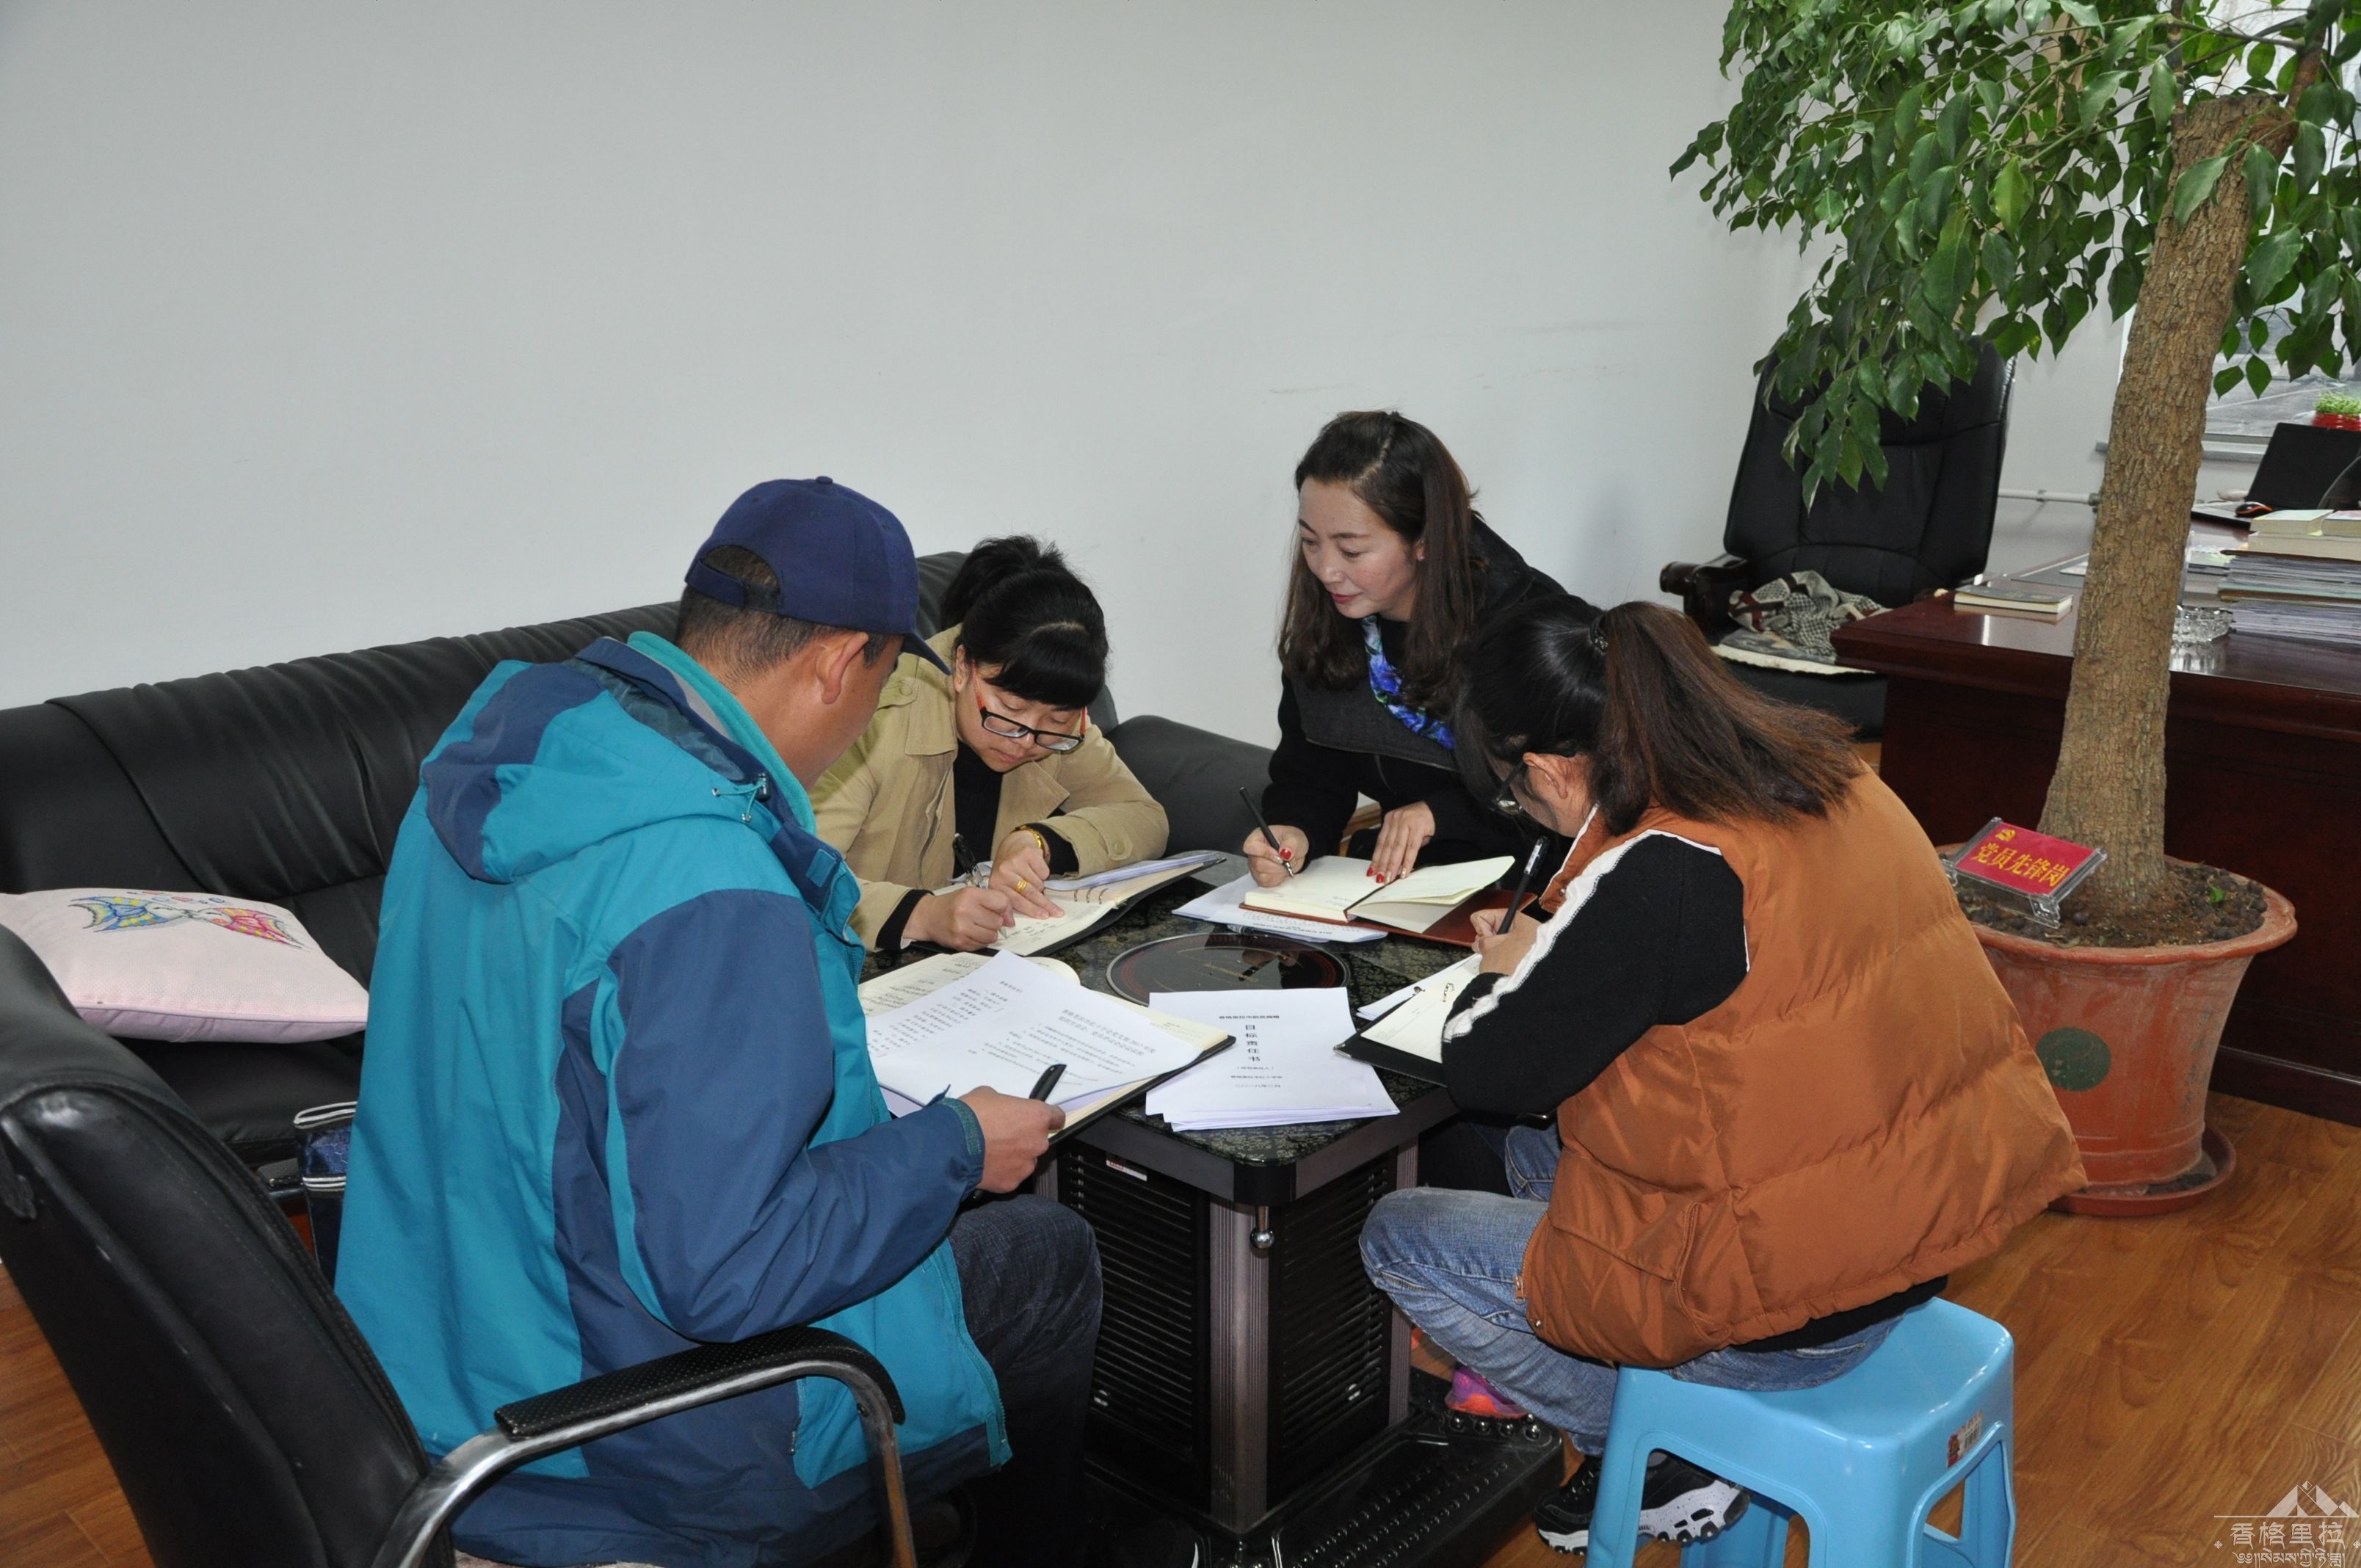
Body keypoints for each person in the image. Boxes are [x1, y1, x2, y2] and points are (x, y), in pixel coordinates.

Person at [337, 480, 1153, 1568]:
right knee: (1049, 1255)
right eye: (882, 685)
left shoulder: (504, 766)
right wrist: (958, 1147)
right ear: (840, 663)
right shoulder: (715, 886)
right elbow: (730, 1273)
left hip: (439, 1352)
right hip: (633, 1438)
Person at [1357, 597, 2084, 1556]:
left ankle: (1657, 1450)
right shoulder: (1834, 781)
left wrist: (1507, 966)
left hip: (1787, 1313)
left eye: (1516, 795)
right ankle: (1671, 1428)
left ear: (1549, 768)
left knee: (1401, 1234)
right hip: (1914, 1229)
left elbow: (1488, 1067)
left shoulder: (1663, 867)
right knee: (1538, 1154)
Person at [1242, 410, 1575, 890]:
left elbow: (1576, 789)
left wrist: (1443, 814)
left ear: (1423, 540)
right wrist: (1294, 832)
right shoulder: (1331, 620)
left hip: (1529, 885)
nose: (1326, 570)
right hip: (1396, 883)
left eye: (1351, 551)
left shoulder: (1525, 625)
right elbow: (1311, 774)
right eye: (1311, 542)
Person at [815, 536, 1169, 952]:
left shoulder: (1056, 728)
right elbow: (797, 873)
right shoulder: (872, 718)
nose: (1026, 740)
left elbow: (1145, 818)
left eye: (1057, 720)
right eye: (1010, 710)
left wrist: (1041, 841)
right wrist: (921, 914)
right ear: (963, 666)